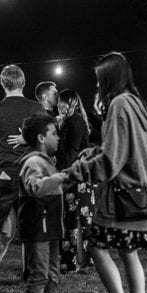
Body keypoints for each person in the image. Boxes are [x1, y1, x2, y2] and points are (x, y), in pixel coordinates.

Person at [66, 52, 147, 293]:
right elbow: (122, 149)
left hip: (123, 195)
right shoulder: (136, 104)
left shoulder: (118, 104)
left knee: (95, 246)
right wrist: (95, 151)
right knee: (128, 252)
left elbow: (112, 161)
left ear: (107, 79)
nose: (96, 86)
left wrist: (75, 172)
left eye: (98, 80)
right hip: (143, 192)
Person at [0, 63, 42, 289]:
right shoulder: (37, 108)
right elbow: (48, 142)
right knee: (30, 228)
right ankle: (30, 275)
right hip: (30, 172)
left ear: (3, 83)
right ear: (24, 83)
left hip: (3, 171)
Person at [17, 111, 78, 293]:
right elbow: (35, 187)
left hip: (51, 227)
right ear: (41, 138)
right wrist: (59, 177)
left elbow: (55, 185)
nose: (59, 138)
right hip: (37, 227)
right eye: (54, 133)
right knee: (40, 272)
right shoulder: (33, 162)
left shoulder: (48, 162)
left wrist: (69, 175)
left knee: (53, 272)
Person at [57, 88, 94, 273]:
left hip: (76, 179)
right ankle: (74, 262)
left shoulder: (76, 121)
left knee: (78, 222)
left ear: (70, 103)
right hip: (74, 177)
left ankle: (75, 262)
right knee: (73, 222)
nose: (58, 105)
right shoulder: (68, 122)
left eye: (61, 102)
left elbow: (71, 151)